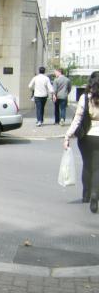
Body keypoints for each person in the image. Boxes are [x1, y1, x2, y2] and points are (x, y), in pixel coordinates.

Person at [64, 71, 99, 213]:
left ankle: (86, 195)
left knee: (87, 165)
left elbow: (77, 120)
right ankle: (95, 193)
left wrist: (67, 136)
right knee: (98, 168)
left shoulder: (85, 98)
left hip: (86, 137)